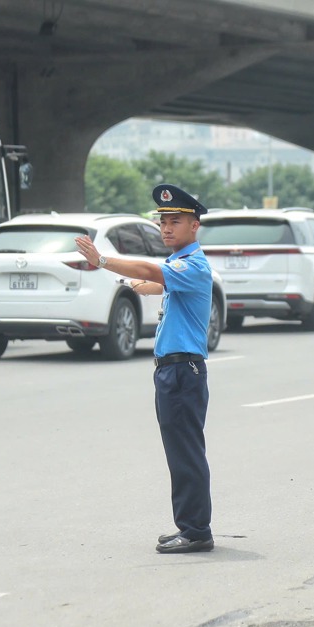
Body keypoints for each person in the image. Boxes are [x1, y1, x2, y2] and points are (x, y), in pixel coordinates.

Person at [74, 183, 215, 554]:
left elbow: (147, 269)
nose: (166, 228)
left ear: (193, 226)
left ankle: (198, 530)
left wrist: (101, 259)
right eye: (163, 222)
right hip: (172, 371)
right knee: (179, 450)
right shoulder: (178, 265)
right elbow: (148, 281)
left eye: (175, 221)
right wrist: (127, 281)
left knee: (185, 451)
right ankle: (189, 524)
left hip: (183, 371)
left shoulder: (193, 265)